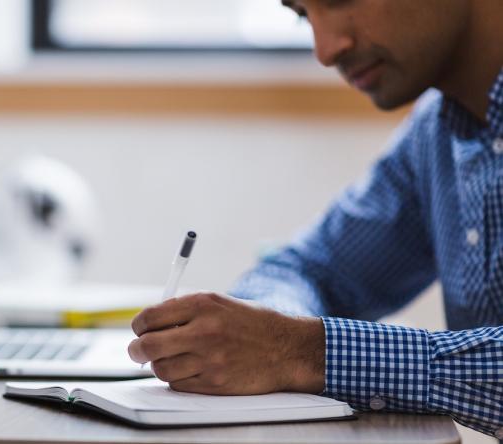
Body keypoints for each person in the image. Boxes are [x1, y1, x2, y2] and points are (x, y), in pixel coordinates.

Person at [127, 0, 502, 438]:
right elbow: (309, 268)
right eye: (303, 15)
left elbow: (297, 344)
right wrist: (262, 336)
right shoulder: (437, 134)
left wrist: (302, 351)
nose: (325, 51)